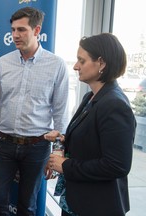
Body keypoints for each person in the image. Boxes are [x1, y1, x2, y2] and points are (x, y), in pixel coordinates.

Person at [0, 7, 69, 216]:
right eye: (13, 30)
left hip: (38, 147)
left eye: (21, 30)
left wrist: (57, 152)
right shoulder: (3, 63)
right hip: (4, 145)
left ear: (37, 30)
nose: (15, 35)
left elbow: (60, 112)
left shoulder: (56, 65)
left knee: (28, 206)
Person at [45, 33, 136, 216]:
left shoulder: (114, 105)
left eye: (81, 61)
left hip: (97, 205)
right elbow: (93, 142)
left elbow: (117, 165)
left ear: (101, 63)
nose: (76, 66)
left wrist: (65, 165)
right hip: (78, 201)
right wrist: (64, 140)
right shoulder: (91, 97)